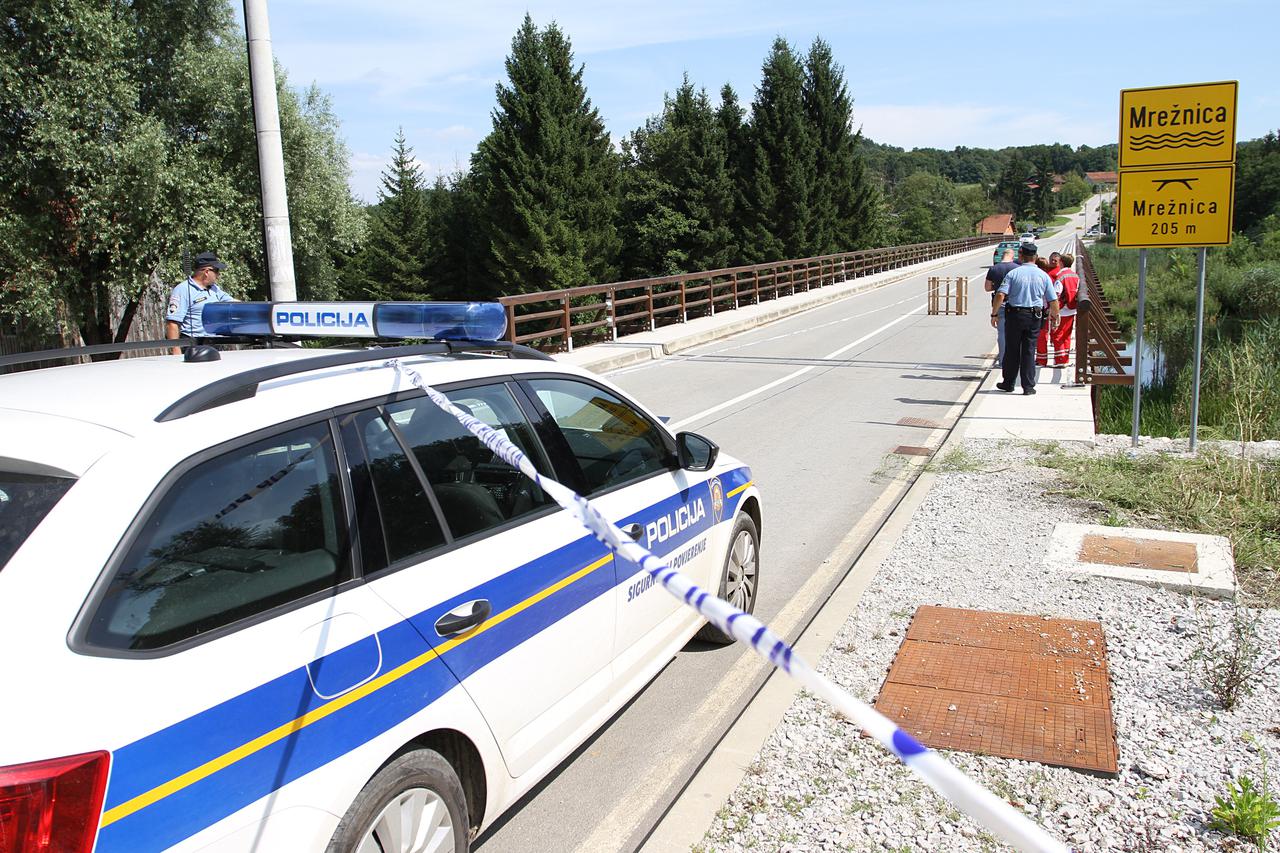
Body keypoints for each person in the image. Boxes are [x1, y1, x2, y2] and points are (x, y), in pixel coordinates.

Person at [990, 243, 1059, 395]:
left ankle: (1008, 383)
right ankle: (1028, 386)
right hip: (1034, 316)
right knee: (1029, 350)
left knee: (1012, 349)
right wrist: (1056, 315)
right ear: (1035, 256)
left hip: (1015, 315)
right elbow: (1053, 299)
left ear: (1020, 255)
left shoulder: (1013, 274)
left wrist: (994, 314)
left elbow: (1000, 295)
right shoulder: (1043, 276)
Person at [166, 251, 235, 354]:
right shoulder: (183, 290)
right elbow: (172, 323)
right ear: (207, 272)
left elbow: (233, 303)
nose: (218, 275)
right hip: (193, 346)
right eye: (216, 271)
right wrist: (175, 350)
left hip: (214, 344)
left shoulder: (214, 289)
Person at [984, 248, 1019, 365]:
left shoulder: (993, 269)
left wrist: (999, 287)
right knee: (1016, 333)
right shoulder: (1016, 268)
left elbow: (987, 288)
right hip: (1014, 303)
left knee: (1002, 333)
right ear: (1012, 257)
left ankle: (1003, 361)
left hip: (999, 303)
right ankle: (1015, 360)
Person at [1046, 253, 1079, 367]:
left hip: (1061, 310)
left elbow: (1056, 295)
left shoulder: (1060, 276)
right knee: (1067, 335)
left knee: (1057, 334)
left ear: (1061, 262)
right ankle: (1065, 359)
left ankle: (1060, 360)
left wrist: (1052, 310)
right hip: (1072, 308)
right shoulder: (1074, 275)